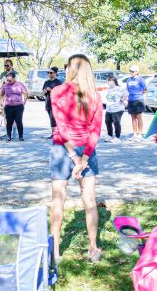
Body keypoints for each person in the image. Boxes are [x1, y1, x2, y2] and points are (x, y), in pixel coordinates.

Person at [49, 54, 103, 263]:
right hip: (85, 152)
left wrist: (74, 156)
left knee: (58, 200)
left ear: (71, 68)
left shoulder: (57, 91)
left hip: (63, 150)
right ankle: (93, 248)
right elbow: (95, 131)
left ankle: (54, 251)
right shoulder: (95, 96)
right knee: (89, 199)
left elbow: (60, 128)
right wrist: (83, 159)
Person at [0, 72, 27, 141]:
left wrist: (24, 102)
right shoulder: (5, 85)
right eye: (7, 80)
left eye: (10, 80)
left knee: (19, 121)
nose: (8, 81)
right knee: (9, 122)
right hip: (8, 106)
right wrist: (2, 103)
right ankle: (8, 136)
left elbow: (25, 93)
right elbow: (2, 94)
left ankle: (20, 136)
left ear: (14, 78)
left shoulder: (20, 85)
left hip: (18, 106)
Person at [125, 65, 147, 140]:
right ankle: (134, 134)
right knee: (133, 117)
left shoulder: (141, 80)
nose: (131, 72)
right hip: (131, 100)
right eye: (130, 71)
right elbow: (127, 89)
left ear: (137, 72)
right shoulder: (128, 80)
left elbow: (144, 90)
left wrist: (138, 94)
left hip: (138, 100)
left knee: (139, 117)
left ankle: (140, 134)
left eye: (132, 71)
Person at [104, 75, 126, 142]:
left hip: (117, 109)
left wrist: (121, 101)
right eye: (107, 81)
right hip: (109, 109)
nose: (107, 82)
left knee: (116, 122)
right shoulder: (109, 89)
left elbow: (126, 94)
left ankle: (117, 137)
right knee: (107, 122)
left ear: (113, 81)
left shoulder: (119, 88)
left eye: (108, 81)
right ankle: (110, 136)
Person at [42, 66, 62, 138]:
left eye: (51, 73)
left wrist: (51, 90)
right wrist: (45, 91)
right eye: (48, 73)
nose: (49, 74)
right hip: (48, 102)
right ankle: (54, 134)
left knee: (54, 118)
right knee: (51, 118)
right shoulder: (46, 82)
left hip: (56, 104)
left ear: (55, 73)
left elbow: (60, 93)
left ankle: (55, 134)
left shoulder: (58, 82)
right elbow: (43, 92)